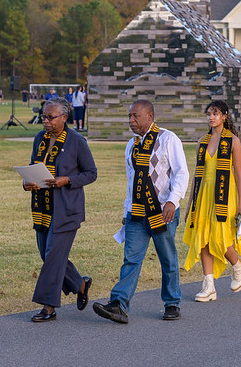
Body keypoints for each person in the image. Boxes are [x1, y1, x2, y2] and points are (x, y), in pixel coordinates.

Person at [93, 100, 189, 323]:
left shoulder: (168, 139)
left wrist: (173, 202)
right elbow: (132, 181)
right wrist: (127, 211)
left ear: (150, 116)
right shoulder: (131, 145)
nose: (131, 121)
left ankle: (172, 303)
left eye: (135, 116)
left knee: (168, 259)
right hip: (137, 213)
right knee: (131, 260)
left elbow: (181, 174)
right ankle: (119, 304)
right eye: (129, 116)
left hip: (163, 211)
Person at [22, 97, 97, 322]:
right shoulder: (39, 138)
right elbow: (34, 167)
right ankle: (80, 284)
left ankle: (48, 307)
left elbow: (91, 173)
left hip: (67, 209)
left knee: (53, 257)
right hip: (42, 208)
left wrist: (67, 180)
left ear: (64, 117)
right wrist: (26, 183)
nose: (45, 121)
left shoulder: (76, 141)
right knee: (48, 254)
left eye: (50, 117)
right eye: (44, 116)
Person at [183, 101, 241, 302]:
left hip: (225, 195)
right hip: (204, 195)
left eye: (215, 114)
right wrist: (189, 206)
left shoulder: (233, 142)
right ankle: (209, 286)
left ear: (224, 116)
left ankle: (238, 265)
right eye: (208, 114)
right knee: (203, 239)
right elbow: (197, 176)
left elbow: (239, 174)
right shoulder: (202, 142)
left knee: (220, 238)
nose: (211, 117)